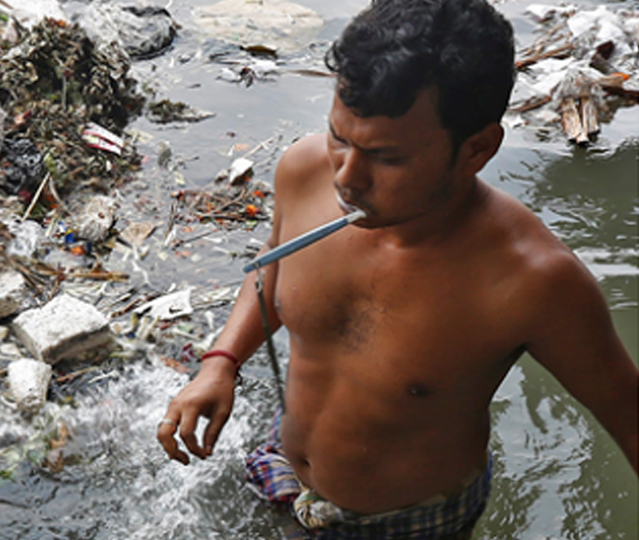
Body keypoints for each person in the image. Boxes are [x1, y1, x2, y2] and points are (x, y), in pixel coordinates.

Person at [156, 0, 639, 538]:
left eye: (387, 158)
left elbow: (631, 420)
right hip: (288, 466)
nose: (347, 179)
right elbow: (270, 267)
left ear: (477, 149)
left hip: (411, 519)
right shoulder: (305, 170)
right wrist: (220, 363)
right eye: (340, 137)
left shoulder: (533, 281)